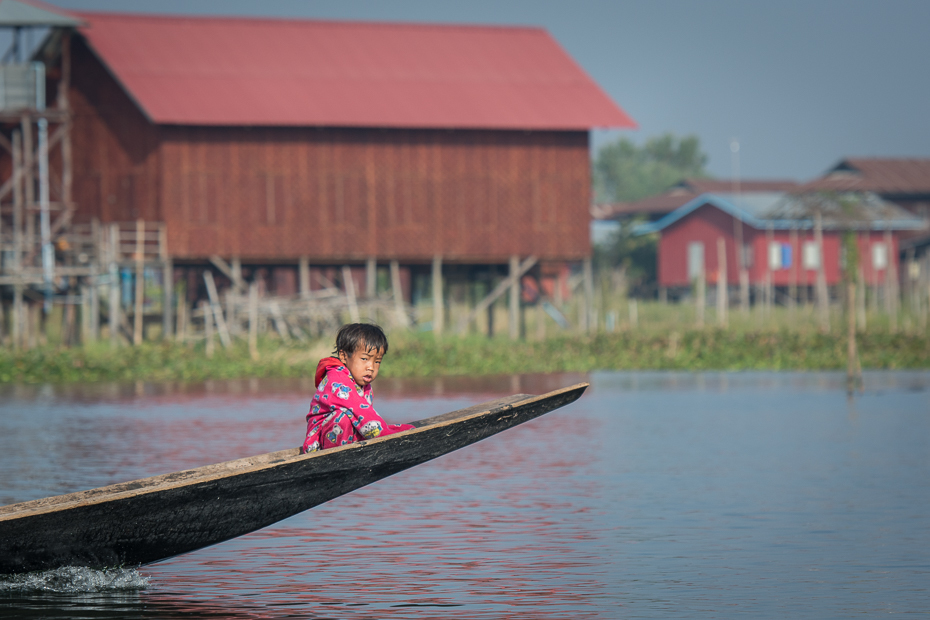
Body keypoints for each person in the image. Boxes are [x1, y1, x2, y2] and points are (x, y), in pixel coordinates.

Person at [301, 323, 414, 454]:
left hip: (346, 438)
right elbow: (364, 415)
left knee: (358, 421)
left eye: (377, 361)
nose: (371, 367)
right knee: (343, 417)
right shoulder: (337, 380)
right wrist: (389, 436)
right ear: (343, 356)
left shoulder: (362, 384)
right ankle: (338, 457)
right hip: (319, 444)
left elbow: (366, 417)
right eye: (365, 359)